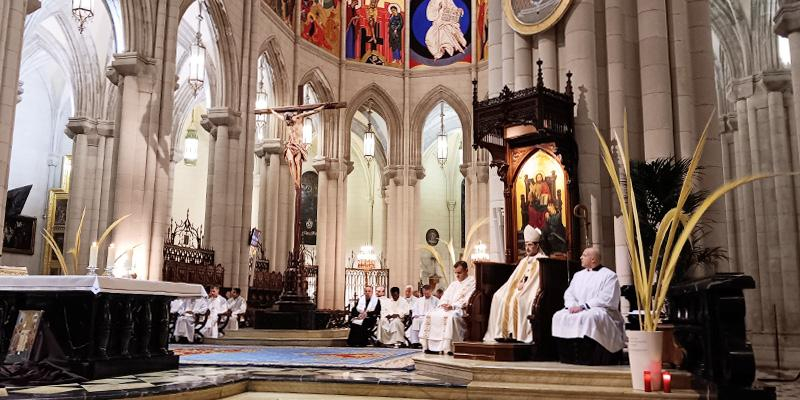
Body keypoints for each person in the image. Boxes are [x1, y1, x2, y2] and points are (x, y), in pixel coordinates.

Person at [552, 248, 626, 359]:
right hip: (577, 308)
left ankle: (590, 356)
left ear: (593, 259)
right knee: (558, 316)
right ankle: (569, 355)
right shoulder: (578, 275)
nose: (581, 257)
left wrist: (583, 307)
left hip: (601, 309)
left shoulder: (609, 275)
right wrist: (572, 306)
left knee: (589, 317)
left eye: (584, 255)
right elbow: (569, 293)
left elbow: (606, 298)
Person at [483, 225, 547, 343]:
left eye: (530, 245)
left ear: (537, 245)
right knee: (499, 296)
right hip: (519, 288)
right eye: (526, 245)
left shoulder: (542, 260)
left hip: (531, 291)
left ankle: (518, 334)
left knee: (519, 299)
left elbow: (536, 281)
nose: (527, 248)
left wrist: (524, 287)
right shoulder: (523, 261)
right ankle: (503, 333)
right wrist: (516, 287)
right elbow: (513, 279)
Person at [419, 261, 476, 354]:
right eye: (456, 273)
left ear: (466, 271)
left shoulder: (472, 282)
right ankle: (429, 347)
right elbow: (445, 297)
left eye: (459, 273)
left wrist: (453, 306)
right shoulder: (454, 284)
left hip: (461, 310)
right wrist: (444, 304)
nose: (457, 275)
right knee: (430, 314)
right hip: (447, 309)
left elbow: (469, 299)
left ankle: (448, 347)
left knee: (452, 317)